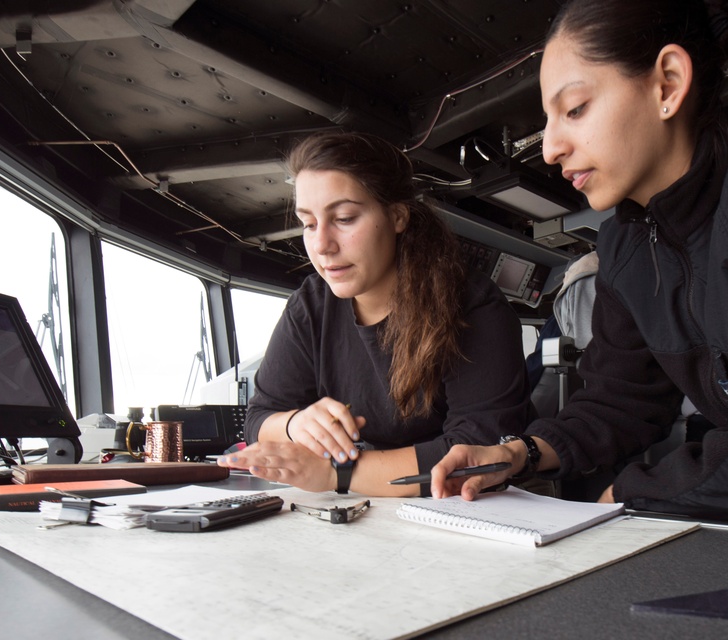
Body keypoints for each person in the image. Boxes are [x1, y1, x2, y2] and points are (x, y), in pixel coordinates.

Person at [431, 0, 728, 523]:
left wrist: (628, 498)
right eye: (548, 119)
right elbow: (621, 401)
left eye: (575, 109)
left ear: (668, 84)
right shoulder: (627, 246)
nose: (550, 148)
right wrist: (521, 454)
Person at [218, 131, 534, 496]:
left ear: (398, 216)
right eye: (308, 223)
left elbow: (479, 452)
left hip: (458, 509)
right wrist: (295, 424)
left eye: (345, 218)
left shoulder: (473, 305)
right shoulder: (311, 305)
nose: (321, 245)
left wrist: (338, 474)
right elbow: (258, 417)